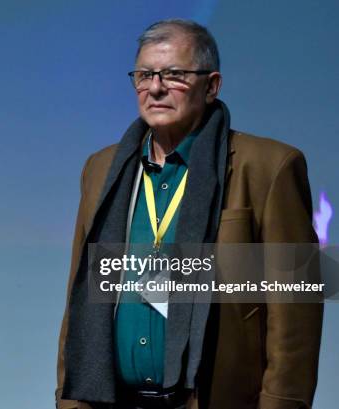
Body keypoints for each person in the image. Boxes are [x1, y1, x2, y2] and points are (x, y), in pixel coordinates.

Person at [56, 19, 323, 409]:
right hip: (112, 401)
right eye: (145, 75)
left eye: (174, 75)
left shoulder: (269, 167)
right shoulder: (101, 170)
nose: (156, 88)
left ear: (211, 85)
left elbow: (296, 310)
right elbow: (80, 295)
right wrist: (69, 400)